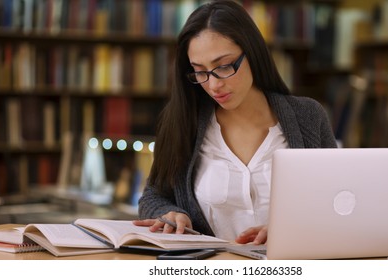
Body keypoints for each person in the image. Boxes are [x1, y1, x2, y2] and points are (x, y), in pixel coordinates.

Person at [133, 0, 337, 245]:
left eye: (224, 66)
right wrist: (171, 214)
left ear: (252, 53)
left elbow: (333, 201)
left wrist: (290, 228)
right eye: (200, 71)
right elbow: (153, 196)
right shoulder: (182, 121)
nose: (214, 84)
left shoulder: (308, 116)